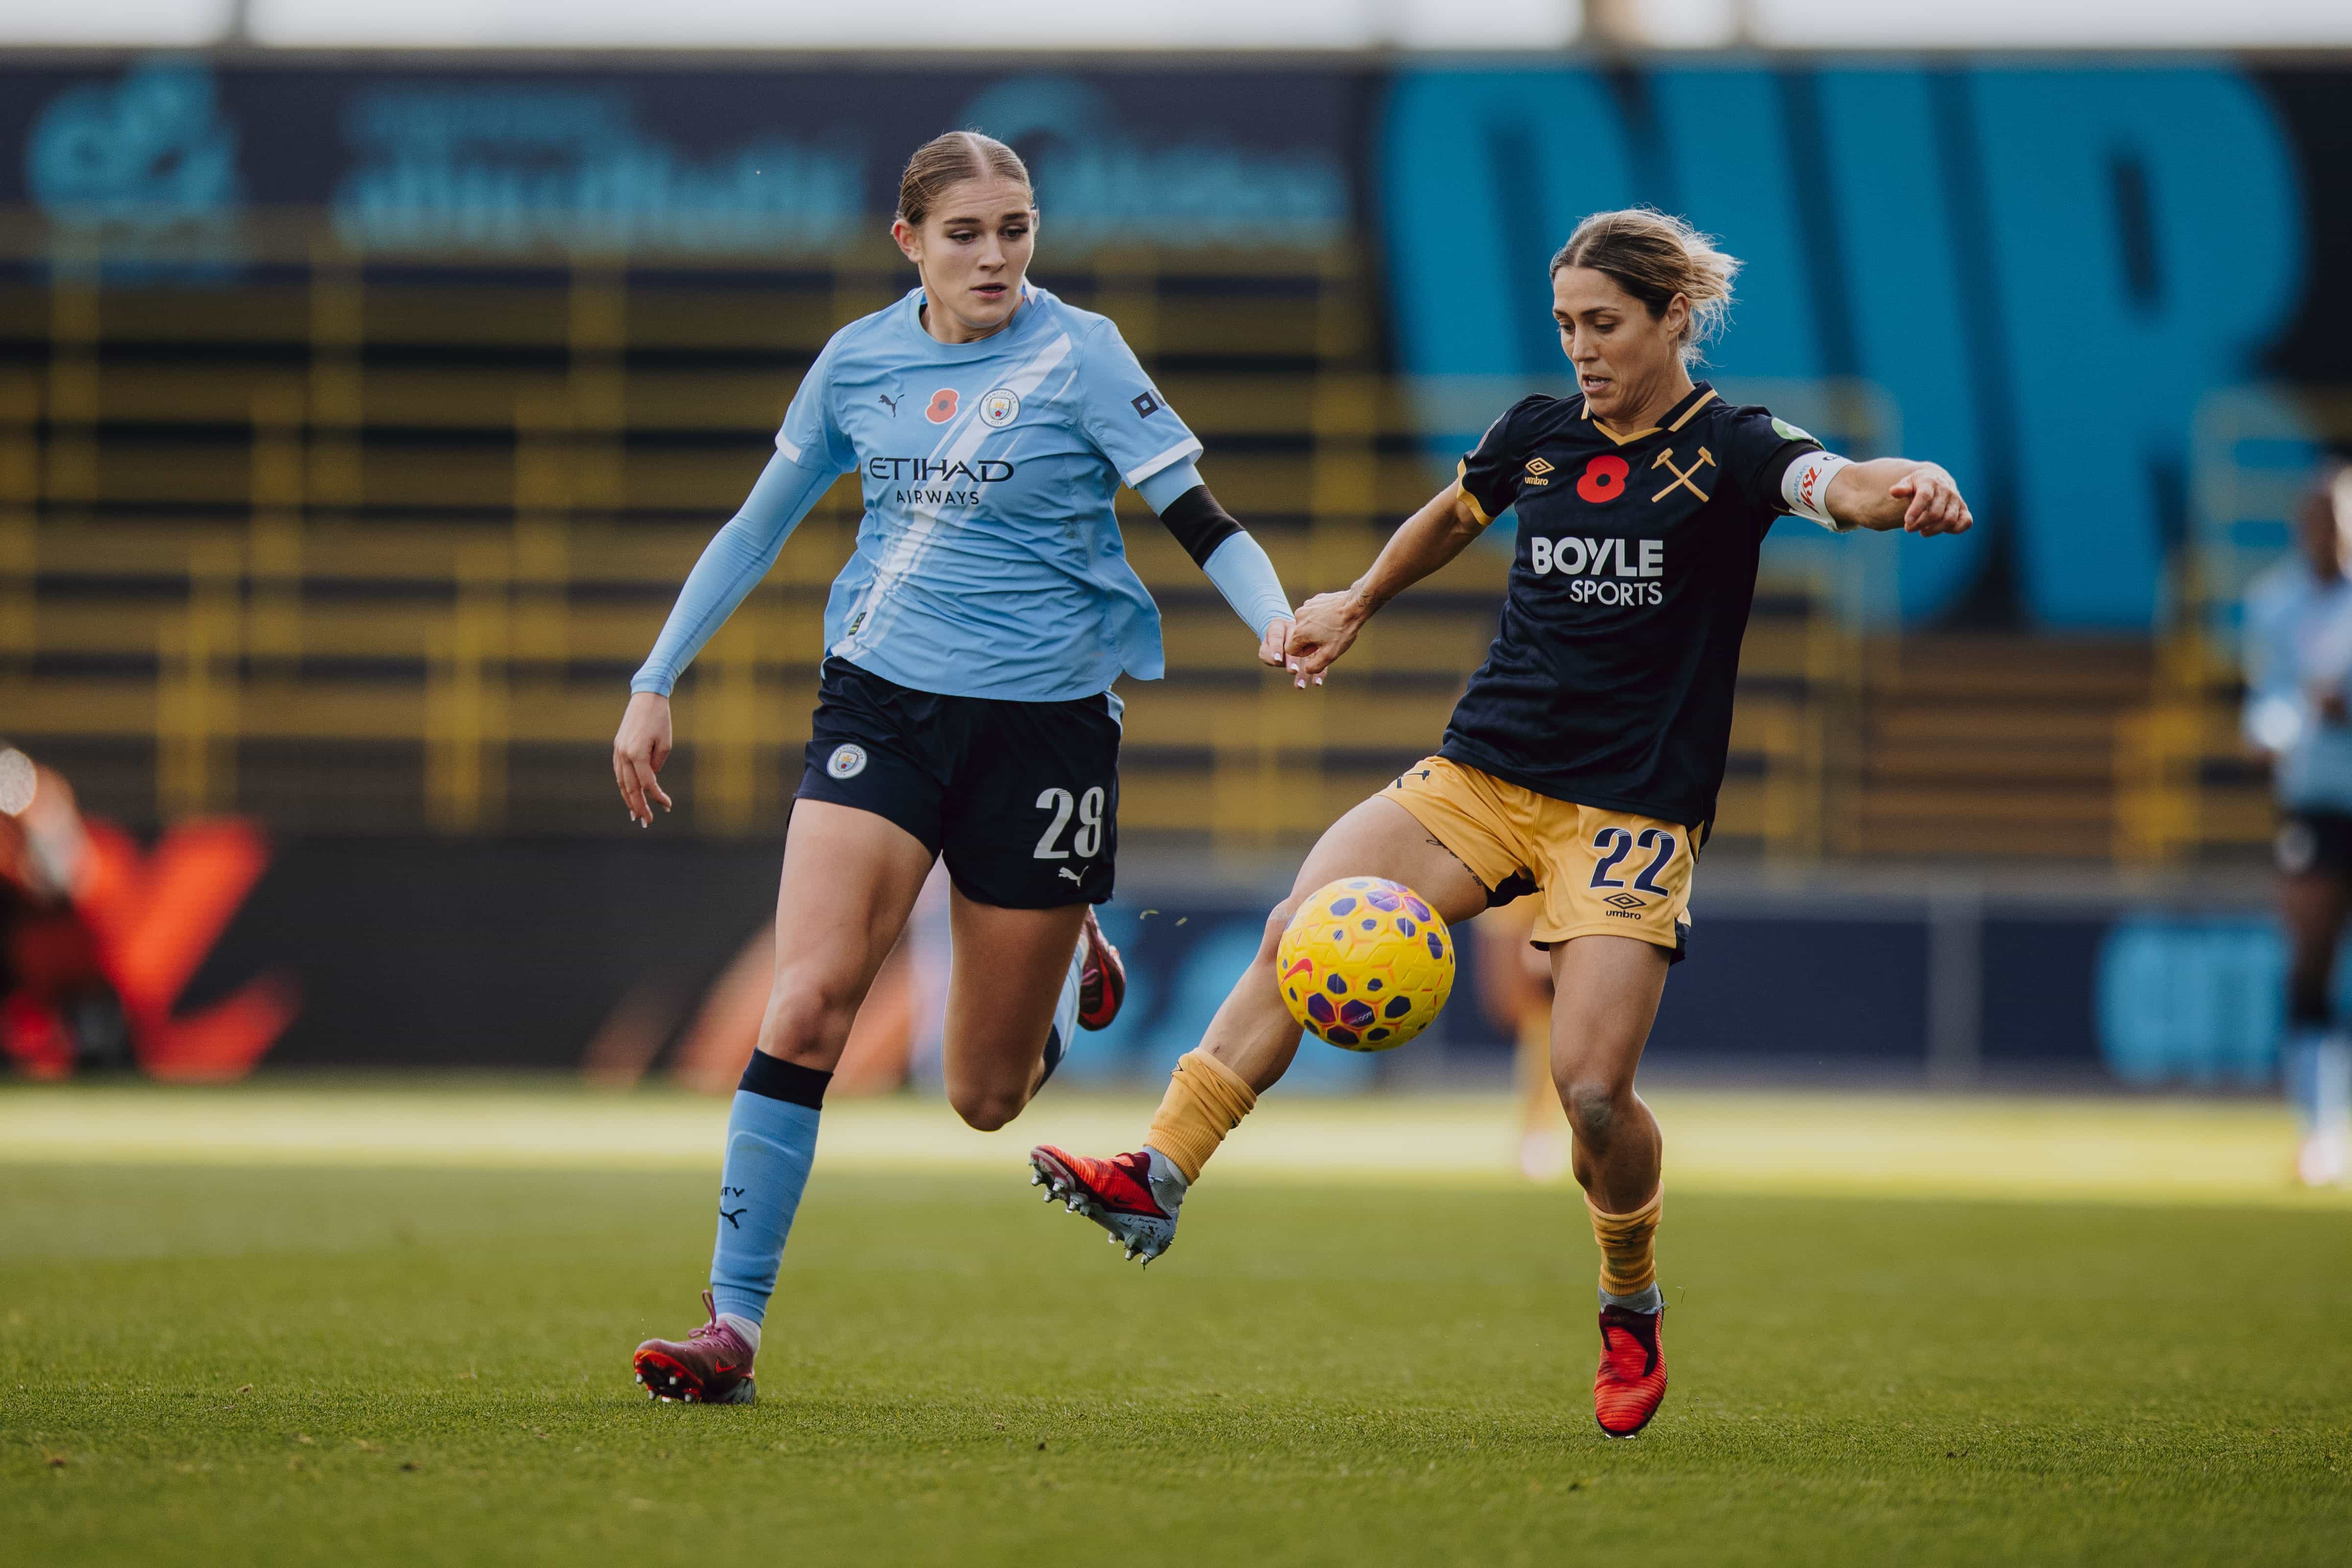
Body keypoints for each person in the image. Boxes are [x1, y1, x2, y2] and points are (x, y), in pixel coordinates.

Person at [1029, 208, 1972, 1438]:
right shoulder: (1537, 434)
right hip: (1485, 773)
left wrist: (1901, 490)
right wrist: (1357, 600)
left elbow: (1828, 486)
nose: (1582, 350)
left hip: (1630, 814)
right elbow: (1454, 512)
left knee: (1587, 1093)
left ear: (1672, 318)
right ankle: (1156, 1175)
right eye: (1566, 325)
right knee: (1304, 922)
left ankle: (1627, 1305)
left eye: (1605, 325)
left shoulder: (1731, 447)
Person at [617, 131, 1296, 1405]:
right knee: (808, 1001)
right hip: (881, 701)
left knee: (983, 1093)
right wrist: (655, 681)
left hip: (1047, 732)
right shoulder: (857, 361)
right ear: (909, 241)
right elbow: (756, 526)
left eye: (1016, 231)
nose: (994, 255)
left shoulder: (1082, 352)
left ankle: (1056, 960)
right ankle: (733, 1325)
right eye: (967, 233)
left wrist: (1273, 614)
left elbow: (1198, 517)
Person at [2241, 458, 2352, 1188]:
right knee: (2309, 964)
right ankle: (2318, 1133)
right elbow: (2267, 704)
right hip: (2315, 804)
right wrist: (2275, 729)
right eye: (2316, 517)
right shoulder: (2274, 603)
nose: (2327, 531)